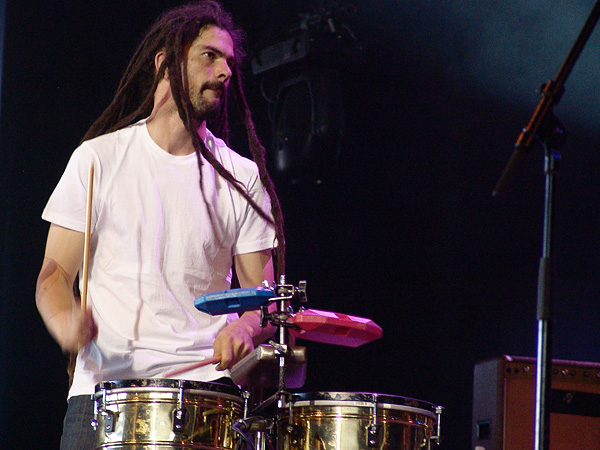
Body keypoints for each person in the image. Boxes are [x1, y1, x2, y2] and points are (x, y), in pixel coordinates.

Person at [35, 2, 286, 448]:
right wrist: (66, 322)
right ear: (165, 62)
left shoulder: (240, 176)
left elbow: (264, 299)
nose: (226, 71)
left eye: (230, 61)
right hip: (105, 395)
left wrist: (245, 327)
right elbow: (53, 277)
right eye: (210, 56)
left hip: (209, 396)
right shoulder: (97, 161)